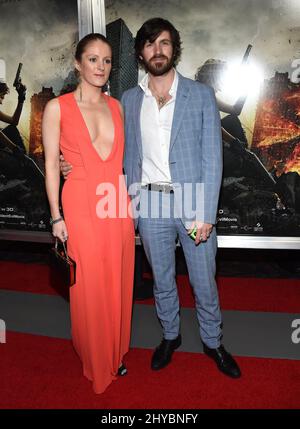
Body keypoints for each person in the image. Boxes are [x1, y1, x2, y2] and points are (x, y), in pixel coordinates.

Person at [61, 18, 241, 379]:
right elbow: (109, 148)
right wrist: (72, 162)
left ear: (174, 49)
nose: (157, 51)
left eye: (164, 43)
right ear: (140, 54)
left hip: (193, 202)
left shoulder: (200, 95)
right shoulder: (127, 100)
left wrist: (207, 213)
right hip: (149, 204)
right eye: (149, 44)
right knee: (161, 279)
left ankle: (213, 341)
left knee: (203, 279)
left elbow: (212, 158)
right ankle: (170, 337)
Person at [42, 33, 135, 394]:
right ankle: (97, 361)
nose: (100, 67)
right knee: (90, 286)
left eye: (107, 60)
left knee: (117, 280)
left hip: (116, 201)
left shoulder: (117, 107)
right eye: (93, 59)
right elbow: (51, 165)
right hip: (80, 204)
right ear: (78, 63)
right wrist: (56, 216)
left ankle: (114, 352)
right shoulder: (57, 107)